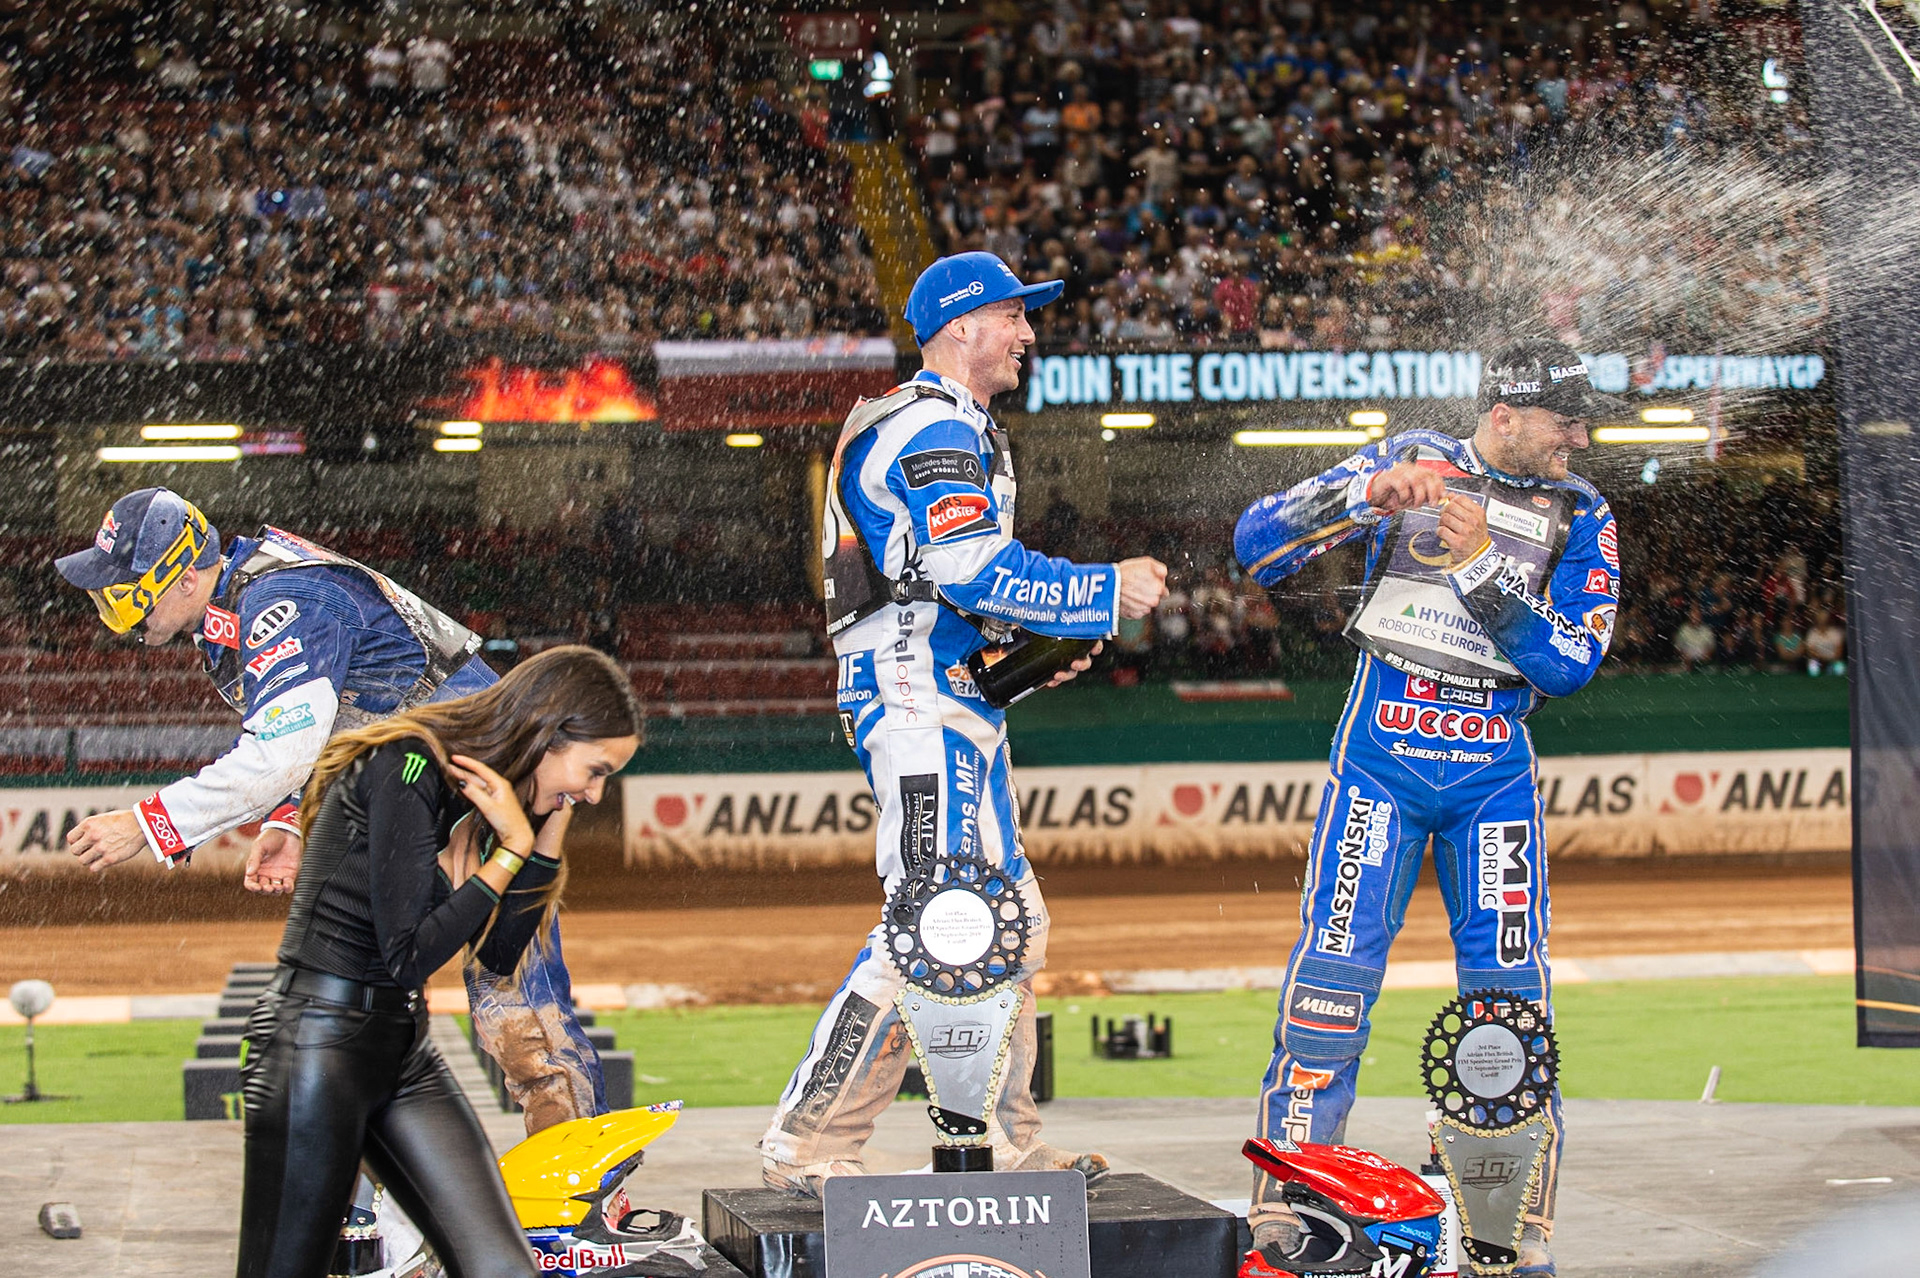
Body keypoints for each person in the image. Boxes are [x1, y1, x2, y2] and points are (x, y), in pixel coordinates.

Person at [759, 251, 1169, 1194]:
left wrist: (1015, 660)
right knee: (938, 922)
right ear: (960, 326)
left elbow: (944, 588)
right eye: (1014, 316)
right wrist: (1100, 590)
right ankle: (807, 1140)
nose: (1029, 333)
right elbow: (971, 569)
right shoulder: (933, 423)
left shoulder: (948, 422)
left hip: (939, 687)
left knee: (1006, 919)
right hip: (914, 693)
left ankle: (1007, 1142)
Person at [1233, 339, 1623, 1278]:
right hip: (1379, 762)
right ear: (1505, 414)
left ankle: (1508, 1221)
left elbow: (1569, 664)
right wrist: (1361, 498)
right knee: (1331, 983)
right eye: (1563, 418)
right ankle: (1289, 1202)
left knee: (1508, 1005)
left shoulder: (1585, 511)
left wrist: (1488, 568)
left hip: (1494, 776)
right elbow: (1256, 545)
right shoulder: (1409, 456)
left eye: (1581, 417)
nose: (1580, 433)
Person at [52, 489, 606, 1131]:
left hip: (488, 778)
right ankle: (394, 1185)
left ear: (178, 574)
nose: (111, 612)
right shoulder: (234, 608)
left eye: (122, 592)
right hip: (425, 782)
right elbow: (329, 721)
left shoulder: (279, 605)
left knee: (511, 990)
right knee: (368, 979)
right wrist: (287, 820)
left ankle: (589, 1195)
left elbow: (281, 752)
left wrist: (147, 824)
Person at [237, 645, 640, 1278]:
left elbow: (501, 951)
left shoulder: (468, 791)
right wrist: (508, 850)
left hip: (401, 1051)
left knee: (500, 1267)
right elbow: (407, 954)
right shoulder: (407, 763)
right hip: (315, 1048)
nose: (593, 794)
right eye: (593, 771)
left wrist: (544, 828)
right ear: (546, 734)